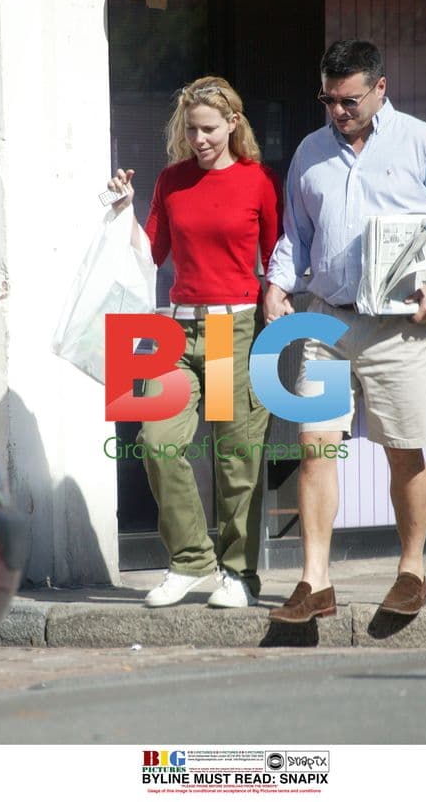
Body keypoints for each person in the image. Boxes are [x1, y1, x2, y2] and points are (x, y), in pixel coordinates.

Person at [264, 40, 426, 623]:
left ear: (380, 88)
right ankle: (315, 583)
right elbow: (295, 236)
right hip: (327, 320)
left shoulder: (422, 143)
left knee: (404, 452)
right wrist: (276, 285)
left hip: (400, 329)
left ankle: (412, 572)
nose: (338, 110)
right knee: (316, 448)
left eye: (349, 99)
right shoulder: (310, 152)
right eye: (329, 99)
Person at [108, 77, 283, 608]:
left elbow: (278, 256)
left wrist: (278, 298)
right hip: (175, 332)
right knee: (158, 444)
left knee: (235, 458)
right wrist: (126, 210)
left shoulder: (257, 182)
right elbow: (151, 253)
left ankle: (237, 575)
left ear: (233, 123)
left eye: (209, 129)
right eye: (191, 130)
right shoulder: (171, 180)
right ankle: (188, 560)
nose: (200, 139)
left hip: (233, 330)